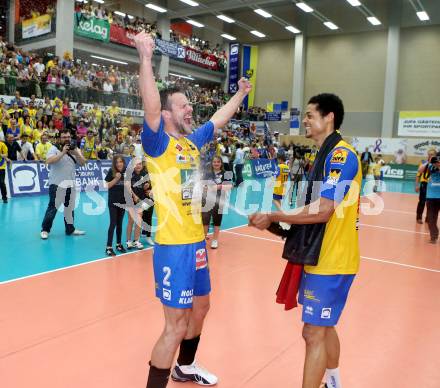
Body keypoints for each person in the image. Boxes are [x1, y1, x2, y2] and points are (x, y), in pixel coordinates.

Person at [134, 31, 251, 388]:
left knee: (201, 309)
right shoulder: (158, 143)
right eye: (184, 106)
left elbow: (217, 119)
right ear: (167, 115)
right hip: (173, 247)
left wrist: (241, 94)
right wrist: (145, 57)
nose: (190, 110)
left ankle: (185, 367)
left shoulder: (191, 142)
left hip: (196, 243)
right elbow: (151, 106)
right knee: (175, 325)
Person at [249, 93, 361, 388]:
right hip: (322, 258)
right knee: (323, 328)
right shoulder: (323, 156)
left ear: (329, 118)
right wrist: (275, 223)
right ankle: (334, 382)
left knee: (312, 333)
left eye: (311, 115)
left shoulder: (340, 155)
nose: (306, 121)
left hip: (332, 260)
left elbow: (323, 211)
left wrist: (275, 216)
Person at [41, 130, 86, 239]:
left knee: (69, 208)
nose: (66, 139)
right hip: (56, 184)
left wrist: (76, 154)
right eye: (64, 137)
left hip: (70, 184)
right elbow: (49, 161)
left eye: (68, 136)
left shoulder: (75, 149)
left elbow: (83, 163)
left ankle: (70, 229)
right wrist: (62, 153)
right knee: (53, 207)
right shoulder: (54, 148)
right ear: (60, 138)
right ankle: (45, 230)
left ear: (70, 137)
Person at [201, 156, 233, 249]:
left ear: (221, 163)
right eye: (214, 162)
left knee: (217, 221)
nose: (216, 164)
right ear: (212, 163)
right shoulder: (207, 173)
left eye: (218, 162)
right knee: (205, 221)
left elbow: (230, 186)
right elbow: (202, 185)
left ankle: (215, 240)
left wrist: (218, 187)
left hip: (219, 200)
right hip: (206, 200)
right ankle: (203, 238)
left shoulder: (227, 173)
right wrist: (205, 187)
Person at [105, 155, 127, 256]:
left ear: (123, 162)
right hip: (113, 202)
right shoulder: (111, 171)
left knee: (120, 224)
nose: (119, 164)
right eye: (117, 162)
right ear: (114, 163)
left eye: (120, 162)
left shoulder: (126, 171)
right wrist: (116, 179)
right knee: (113, 223)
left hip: (123, 202)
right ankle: (108, 247)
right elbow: (107, 185)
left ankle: (118, 244)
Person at [126, 158, 148, 250]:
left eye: (140, 164)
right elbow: (127, 187)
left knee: (138, 221)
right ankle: (128, 241)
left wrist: (146, 187)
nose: (138, 166)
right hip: (131, 200)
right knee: (131, 221)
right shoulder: (130, 174)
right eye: (136, 164)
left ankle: (136, 241)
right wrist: (134, 196)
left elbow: (145, 187)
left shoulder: (144, 174)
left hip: (140, 200)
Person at [415, 149, 437, 224]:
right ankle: (419, 217)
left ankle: (428, 217)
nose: (430, 156)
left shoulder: (437, 163)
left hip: (433, 186)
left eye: (432, 154)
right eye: (429, 154)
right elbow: (419, 172)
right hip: (424, 184)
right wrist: (417, 185)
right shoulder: (424, 162)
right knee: (422, 201)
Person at [425, 152, 440, 244]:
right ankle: (433, 236)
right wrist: (429, 162)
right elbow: (420, 170)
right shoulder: (430, 166)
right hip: (431, 196)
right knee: (431, 218)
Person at [0, 138, 9, 203]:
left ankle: (4, 197)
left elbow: (6, 155)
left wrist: (0, 154)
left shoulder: (2, 144)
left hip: (1, 167)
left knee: (2, 182)